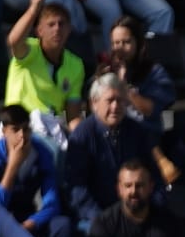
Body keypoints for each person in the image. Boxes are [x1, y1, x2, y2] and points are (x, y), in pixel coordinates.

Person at [0, 104, 71, 237]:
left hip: (26, 219)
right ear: (5, 131)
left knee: (61, 225)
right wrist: (12, 166)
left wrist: (31, 223)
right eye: (15, 130)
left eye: (26, 129)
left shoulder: (42, 152)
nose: (22, 136)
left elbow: (52, 203)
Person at [64, 73, 160, 227]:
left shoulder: (137, 131)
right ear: (94, 103)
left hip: (136, 211)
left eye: (120, 100)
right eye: (109, 101)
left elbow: (153, 175)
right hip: (97, 215)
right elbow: (77, 190)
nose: (115, 106)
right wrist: (103, 221)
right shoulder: (82, 136)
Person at [6, 0, 87, 147]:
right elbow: (13, 40)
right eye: (51, 24)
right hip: (18, 125)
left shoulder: (76, 65)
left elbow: (72, 115)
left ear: (69, 29)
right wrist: (34, 9)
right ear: (39, 31)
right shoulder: (28, 50)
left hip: (53, 128)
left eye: (61, 24)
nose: (57, 29)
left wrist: (83, 136)